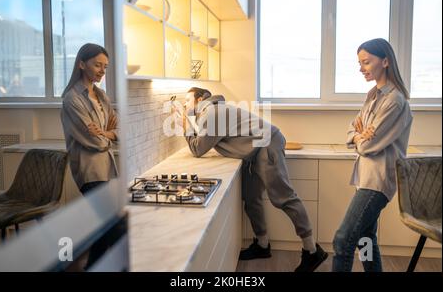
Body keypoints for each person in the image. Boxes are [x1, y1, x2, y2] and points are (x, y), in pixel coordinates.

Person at [176, 87, 328, 272]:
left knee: (284, 197)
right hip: (255, 150)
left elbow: (197, 149)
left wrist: (186, 124)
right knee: (251, 196)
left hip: (267, 144)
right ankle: (262, 245)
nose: (185, 104)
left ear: (200, 99)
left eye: (187, 100)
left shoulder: (213, 113)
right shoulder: (212, 112)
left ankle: (312, 250)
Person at [332, 38, 413, 272]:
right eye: (360, 63)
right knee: (366, 238)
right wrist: (358, 135)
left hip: (377, 181)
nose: (361, 68)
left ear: (385, 61)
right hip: (366, 178)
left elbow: (369, 146)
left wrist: (360, 138)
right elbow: (352, 128)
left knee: (343, 239)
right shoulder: (372, 95)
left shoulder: (395, 101)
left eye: (366, 62)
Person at [61, 43, 118, 195]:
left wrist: (104, 133)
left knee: (109, 218)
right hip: (90, 173)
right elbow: (96, 141)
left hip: (107, 167)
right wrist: (108, 134)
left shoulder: (102, 95)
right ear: (81, 64)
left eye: (105, 67)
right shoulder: (72, 99)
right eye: (98, 65)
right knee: (112, 218)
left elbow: (119, 130)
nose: (102, 71)